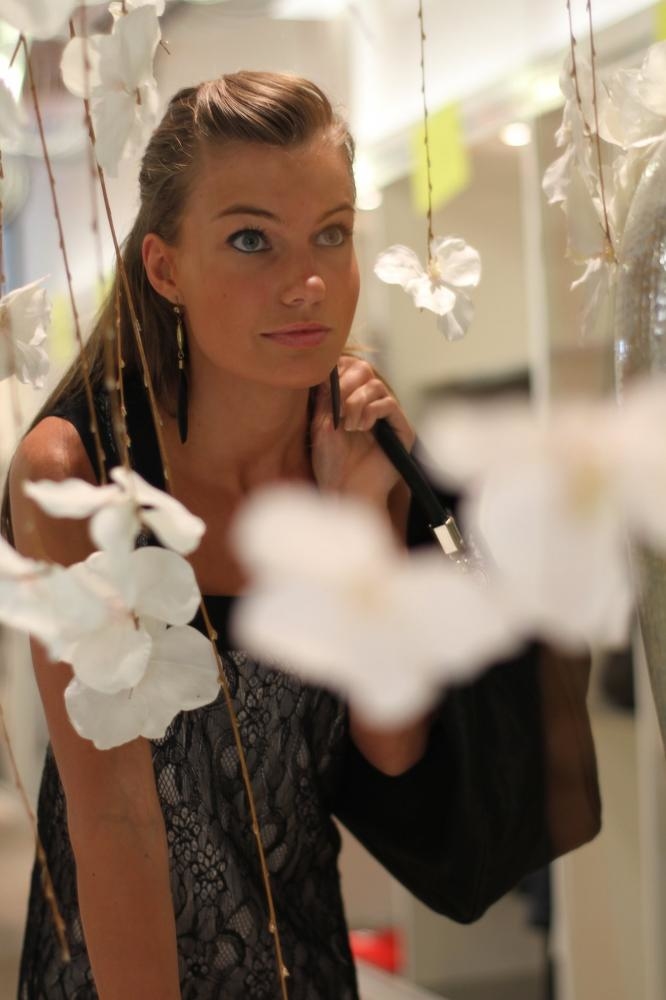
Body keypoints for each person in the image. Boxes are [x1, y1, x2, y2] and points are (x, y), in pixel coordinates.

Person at [4, 72, 601, 999]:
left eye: (332, 232)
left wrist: (362, 525)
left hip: (307, 965)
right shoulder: (75, 471)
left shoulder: (359, 446)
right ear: (165, 268)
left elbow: (392, 752)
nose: (308, 281)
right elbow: (116, 818)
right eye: (252, 240)